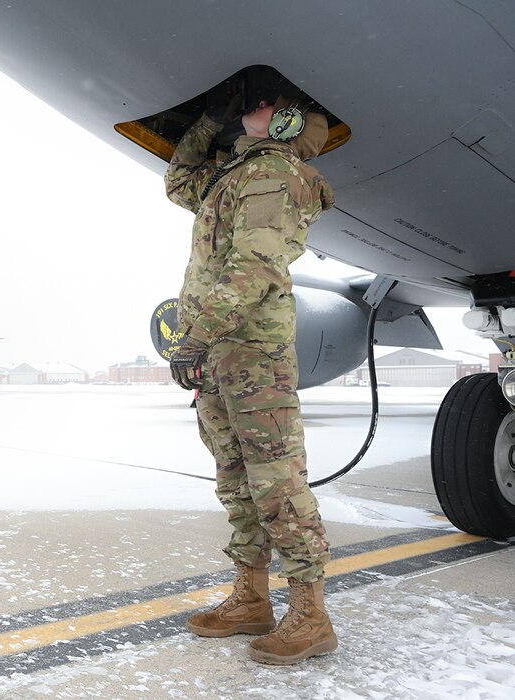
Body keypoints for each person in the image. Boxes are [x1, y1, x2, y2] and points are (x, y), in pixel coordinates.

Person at [164, 86, 337, 665]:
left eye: (262, 104)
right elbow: (179, 183)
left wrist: (194, 336)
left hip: (250, 354)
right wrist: (205, 121)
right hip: (220, 353)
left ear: (284, 121)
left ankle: (311, 617)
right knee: (236, 479)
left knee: (276, 482)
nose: (250, 107)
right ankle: (252, 599)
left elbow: (255, 268)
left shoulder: (271, 176)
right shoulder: (233, 175)